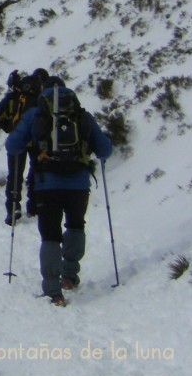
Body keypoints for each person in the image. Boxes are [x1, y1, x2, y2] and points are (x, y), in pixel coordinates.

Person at [6, 76, 112, 306]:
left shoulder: (35, 115)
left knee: (50, 236)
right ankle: (70, 276)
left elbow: (12, 145)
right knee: (76, 226)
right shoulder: (82, 115)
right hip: (79, 185)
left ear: (43, 90)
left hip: (47, 184)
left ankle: (54, 292)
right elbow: (105, 149)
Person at [0, 69, 45, 224]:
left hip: (17, 139)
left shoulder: (14, 96)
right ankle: (34, 205)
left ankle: (13, 208)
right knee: (36, 170)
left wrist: (9, 128)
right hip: (35, 140)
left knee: (15, 174)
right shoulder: (39, 97)